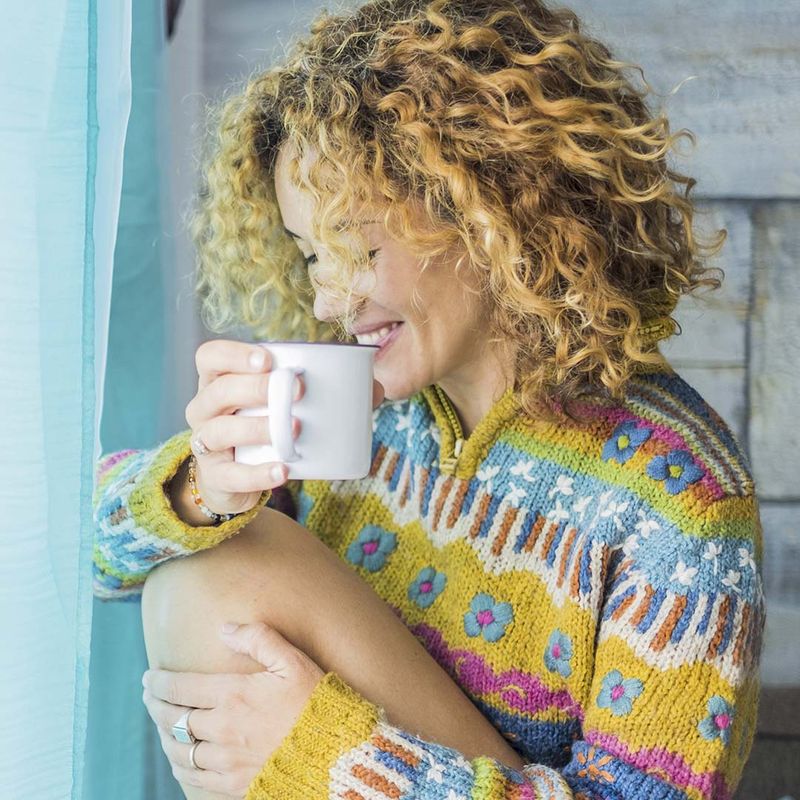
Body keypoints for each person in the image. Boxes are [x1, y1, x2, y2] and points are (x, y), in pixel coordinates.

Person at [93, 0, 766, 797]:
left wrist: (333, 759)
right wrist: (201, 486)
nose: (328, 304)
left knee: (214, 581)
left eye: (358, 247)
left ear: (497, 211)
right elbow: (97, 556)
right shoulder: (359, 416)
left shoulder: (678, 497)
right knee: (200, 568)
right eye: (313, 257)